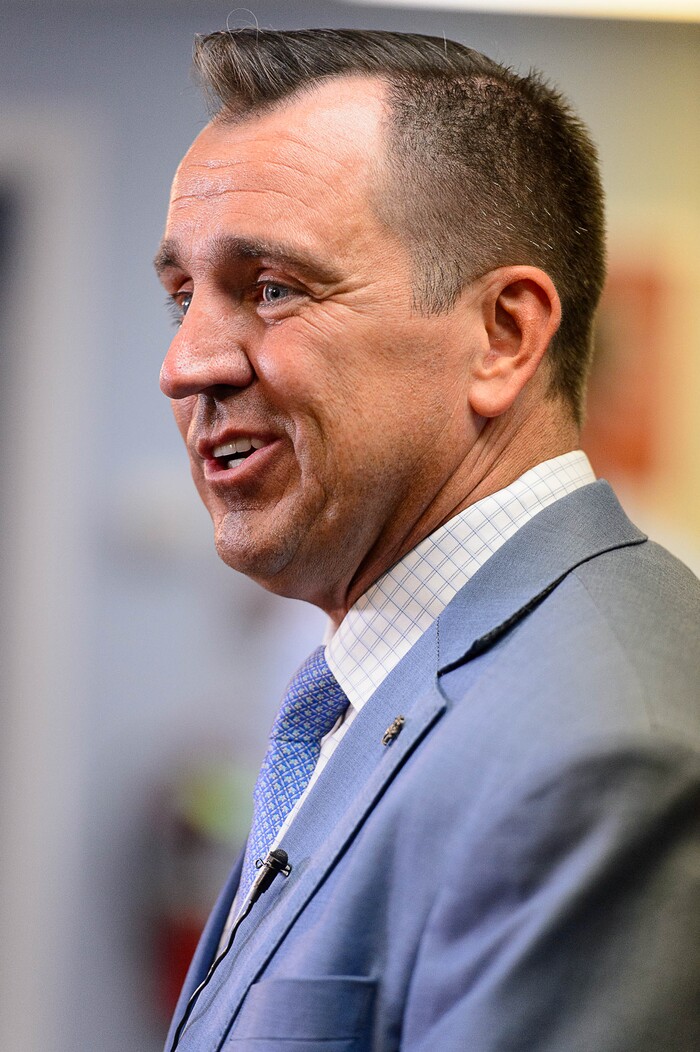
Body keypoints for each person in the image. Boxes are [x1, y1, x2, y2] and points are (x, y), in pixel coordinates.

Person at [154, 28, 700, 1052]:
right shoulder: (373, 679)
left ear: (502, 335)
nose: (186, 364)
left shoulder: (600, 754)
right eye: (182, 295)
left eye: (271, 286)